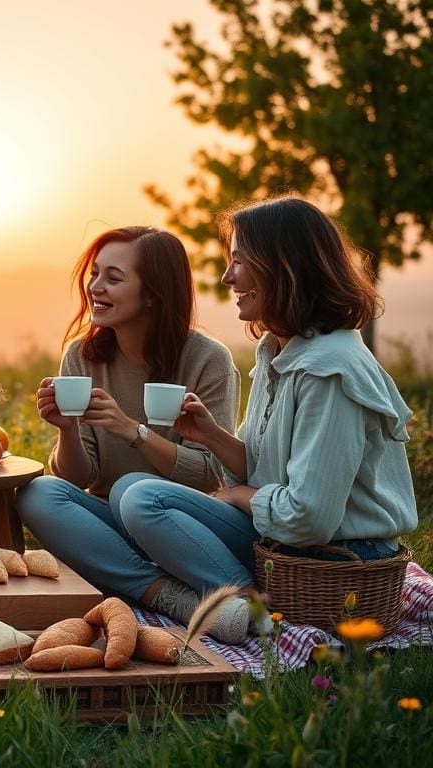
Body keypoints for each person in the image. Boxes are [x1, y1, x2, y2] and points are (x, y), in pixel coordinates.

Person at [117, 196, 417, 634]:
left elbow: (308, 517)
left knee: (145, 500)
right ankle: (240, 602)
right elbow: (269, 471)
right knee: (131, 487)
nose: (227, 277)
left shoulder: (330, 370)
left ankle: (254, 613)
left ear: (284, 266)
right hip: (285, 542)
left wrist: (236, 497)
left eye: (239, 261)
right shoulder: (280, 348)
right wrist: (211, 436)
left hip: (338, 557)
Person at [16, 226, 247, 642]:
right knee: (37, 492)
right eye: (95, 273)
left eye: (114, 278)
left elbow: (211, 477)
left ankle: (222, 589)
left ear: (152, 294)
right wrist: (68, 431)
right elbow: (76, 479)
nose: (95, 288)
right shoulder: (82, 355)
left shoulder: (207, 360)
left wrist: (132, 430)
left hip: (179, 524)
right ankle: (167, 596)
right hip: (113, 525)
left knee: (133, 488)